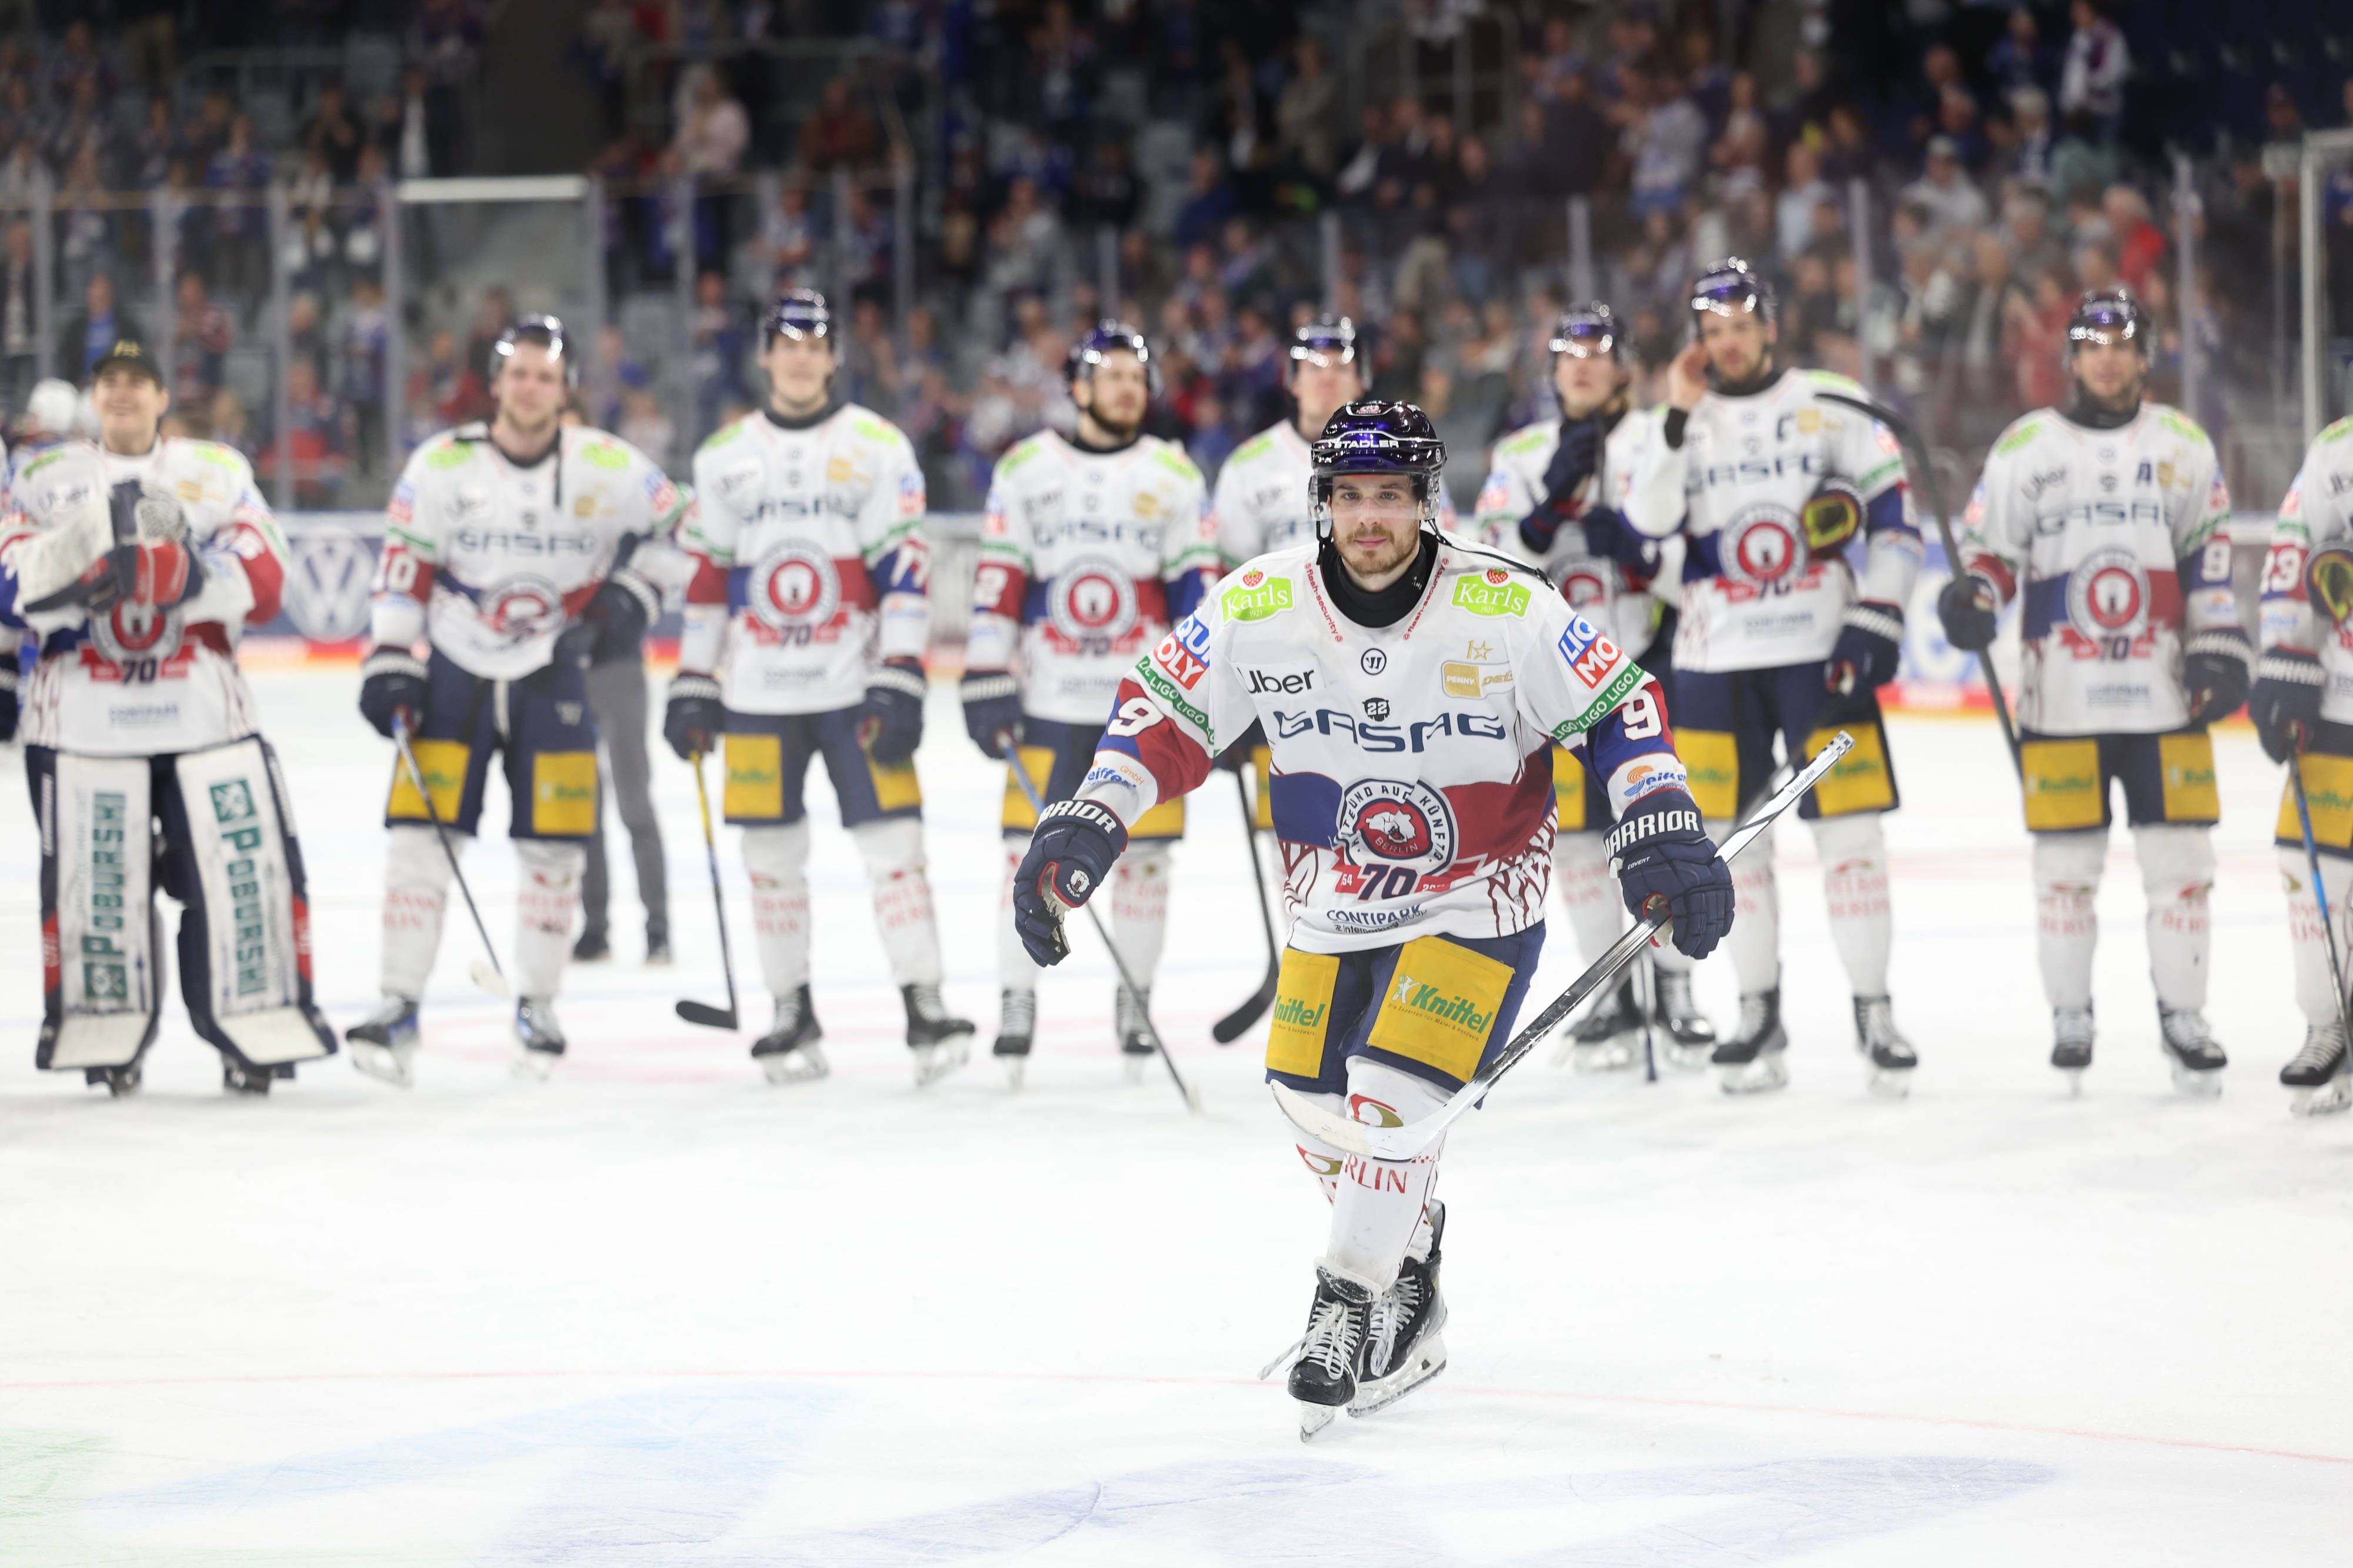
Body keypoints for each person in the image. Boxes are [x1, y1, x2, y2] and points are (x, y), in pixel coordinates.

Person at [1008, 399, 1733, 1432]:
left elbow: (1620, 706)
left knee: (1391, 1100)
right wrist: (1090, 817)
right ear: (1324, 504)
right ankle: (1414, 1251)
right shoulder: (1259, 603)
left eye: (1392, 496)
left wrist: (1659, 816)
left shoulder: (1504, 603)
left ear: (1425, 500)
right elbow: (1160, 720)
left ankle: (1345, 1305)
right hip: (1333, 895)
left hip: (1484, 885)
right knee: (1309, 1103)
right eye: (1351, 497)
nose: (1371, 518)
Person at [346, 317, 688, 1085]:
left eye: (545, 376)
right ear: (496, 383)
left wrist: (631, 599)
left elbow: (689, 527)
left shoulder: (607, 463)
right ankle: (397, 1005)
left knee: (555, 851)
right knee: (417, 845)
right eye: (519, 374)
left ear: (564, 389)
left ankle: (537, 1006)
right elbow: (403, 565)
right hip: (454, 676)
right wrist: (391, 660)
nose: (531, 387)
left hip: (552, 673)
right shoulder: (441, 463)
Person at [0, 339, 334, 1095]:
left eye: (137, 382)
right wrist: (79, 568)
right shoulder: (42, 476)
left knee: (234, 882)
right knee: (96, 890)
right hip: (80, 725)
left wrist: (188, 574)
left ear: (160, 397)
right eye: (108, 382)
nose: (121, 394)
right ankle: (106, 1035)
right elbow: (6, 576)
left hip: (203, 722)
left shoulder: (215, 470)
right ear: (94, 397)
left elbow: (268, 577)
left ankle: (251, 1030)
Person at [1628, 258, 1924, 1095]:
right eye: (1710, 333)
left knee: (1853, 841)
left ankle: (1876, 1010)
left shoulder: (1831, 402)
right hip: (1713, 664)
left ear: (1770, 325)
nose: (1725, 344)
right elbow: (1646, 524)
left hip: (1819, 654)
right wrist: (1680, 416)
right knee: (1732, 846)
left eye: (1739, 327)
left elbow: (1898, 516)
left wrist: (1879, 613)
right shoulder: (1679, 421)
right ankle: (1758, 1015)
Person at [665, 289, 974, 1086]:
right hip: (759, 695)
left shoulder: (878, 446)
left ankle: (924, 1003)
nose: (801, 356)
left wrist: (901, 670)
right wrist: (695, 678)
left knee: (894, 847)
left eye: (816, 343)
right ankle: (789, 1008)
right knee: (769, 857)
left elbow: (902, 572)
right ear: (766, 355)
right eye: (786, 343)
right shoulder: (723, 454)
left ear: (835, 357)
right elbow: (707, 579)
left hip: (853, 688)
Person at [1942, 288, 2245, 1094]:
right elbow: (1990, 554)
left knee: (2182, 863)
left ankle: (2185, 1017)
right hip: (2060, 700)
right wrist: (1974, 595)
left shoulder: (2183, 444)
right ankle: (2070, 1016)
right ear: (2071, 358)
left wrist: (2220, 648)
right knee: (2065, 867)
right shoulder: (2026, 448)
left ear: (2146, 356)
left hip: (2167, 697)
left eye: (2122, 343)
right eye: (2091, 344)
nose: (2107, 357)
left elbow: (2210, 557)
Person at [959, 321, 1219, 1085]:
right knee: (1023, 851)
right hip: (1045, 698)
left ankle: (1134, 1000)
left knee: (1147, 863)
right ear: (1077, 388)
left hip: (1142, 708)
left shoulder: (1174, 474)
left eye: (1137, 376)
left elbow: (1195, 600)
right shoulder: (1028, 467)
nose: (1126, 387)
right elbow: (999, 580)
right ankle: (1017, 997)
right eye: (1109, 375)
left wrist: (1207, 697)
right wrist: (986, 673)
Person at [1476, 302, 1712, 1070]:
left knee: (1663, 825)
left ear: (1623, 366)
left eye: (1598, 350)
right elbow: (1489, 568)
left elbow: (1698, 572)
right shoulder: (1520, 452)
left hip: (1650, 660)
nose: (1581, 363)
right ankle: (1611, 992)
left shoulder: (1660, 436)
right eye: (1566, 352)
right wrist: (1544, 516)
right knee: (1576, 842)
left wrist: (1643, 556)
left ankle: (1675, 988)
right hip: (1552, 680)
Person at [2254, 416, 2353, 1113]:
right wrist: (2288, 664)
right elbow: (2293, 557)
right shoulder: (2337, 449)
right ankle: (2327, 1024)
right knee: (2311, 870)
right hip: (2340, 702)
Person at [562, 395, 672, 970]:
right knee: (582, 804)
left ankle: (658, 928)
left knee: (633, 799)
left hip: (617, 666)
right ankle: (595, 925)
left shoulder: (619, 485)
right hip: (564, 670)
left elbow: (673, 542)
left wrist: (624, 606)